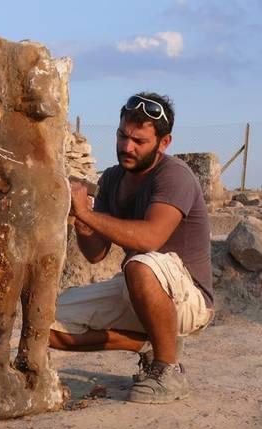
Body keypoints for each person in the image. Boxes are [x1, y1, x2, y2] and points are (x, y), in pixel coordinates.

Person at [49, 92, 214, 404]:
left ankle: (168, 370)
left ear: (164, 143)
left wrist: (87, 213)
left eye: (139, 140)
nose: (127, 147)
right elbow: (96, 254)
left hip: (187, 301)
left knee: (140, 263)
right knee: (43, 324)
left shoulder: (174, 175)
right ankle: (148, 343)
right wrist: (83, 221)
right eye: (123, 136)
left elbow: (150, 238)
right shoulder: (113, 178)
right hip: (139, 289)